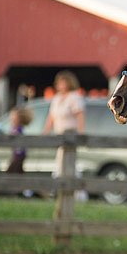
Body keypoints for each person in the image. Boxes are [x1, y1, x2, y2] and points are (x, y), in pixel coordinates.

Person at [42, 70, 86, 198]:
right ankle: (58, 192)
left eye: (63, 82)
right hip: (59, 136)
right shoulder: (56, 99)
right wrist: (45, 132)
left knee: (70, 164)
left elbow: (80, 115)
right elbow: (51, 118)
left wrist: (81, 133)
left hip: (71, 136)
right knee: (61, 163)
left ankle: (76, 194)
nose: (60, 85)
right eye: (59, 82)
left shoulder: (75, 97)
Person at [6, 106, 34, 174]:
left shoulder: (18, 128)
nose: (11, 119)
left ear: (19, 119)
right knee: (18, 171)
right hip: (17, 154)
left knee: (12, 171)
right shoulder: (14, 128)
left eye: (13, 117)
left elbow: (14, 137)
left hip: (19, 154)